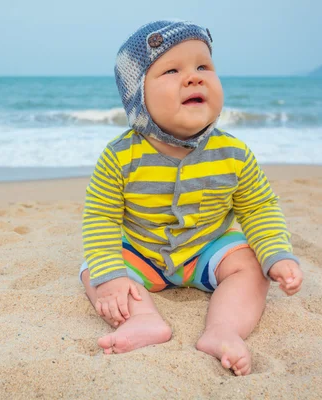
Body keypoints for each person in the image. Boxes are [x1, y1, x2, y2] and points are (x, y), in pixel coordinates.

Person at [79, 20, 303, 376]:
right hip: (143, 250)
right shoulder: (120, 156)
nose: (194, 77)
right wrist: (112, 277)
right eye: (171, 70)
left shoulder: (233, 153)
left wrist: (276, 252)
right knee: (96, 271)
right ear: (138, 97)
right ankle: (144, 320)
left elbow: (259, 207)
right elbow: (101, 218)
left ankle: (223, 329)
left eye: (203, 66)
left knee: (251, 265)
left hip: (207, 249)